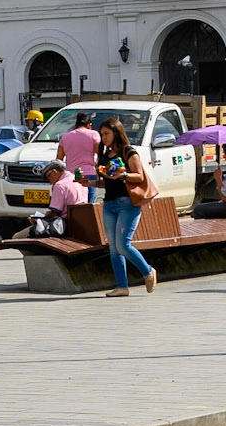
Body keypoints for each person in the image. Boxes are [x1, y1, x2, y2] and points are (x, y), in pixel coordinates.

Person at [96, 118, 156, 298]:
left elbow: (139, 176)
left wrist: (123, 176)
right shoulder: (106, 156)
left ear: (116, 132)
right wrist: (88, 182)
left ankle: (148, 271)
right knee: (114, 248)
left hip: (127, 204)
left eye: (106, 133)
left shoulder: (128, 152)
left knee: (123, 245)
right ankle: (122, 287)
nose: (104, 138)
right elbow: (106, 182)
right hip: (109, 204)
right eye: (101, 135)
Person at [27, 162, 85, 238]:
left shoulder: (60, 185)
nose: (50, 182)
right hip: (80, 223)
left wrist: (37, 219)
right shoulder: (78, 180)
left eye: (48, 177)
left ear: (54, 172)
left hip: (63, 227)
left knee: (17, 236)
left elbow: (55, 213)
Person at [58, 109, 102, 197]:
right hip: (89, 175)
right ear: (89, 125)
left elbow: (59, 160)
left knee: (74, 205)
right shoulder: (94, 134)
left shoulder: (65, 137)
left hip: (71, 175)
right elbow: (100, 154)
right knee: (88, 206)